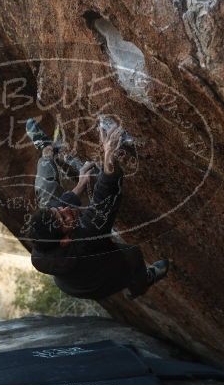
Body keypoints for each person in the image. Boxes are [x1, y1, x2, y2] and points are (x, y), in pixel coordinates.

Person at [24, 118, 169, 300]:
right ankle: (139, 285)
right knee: (131, 253)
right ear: (65, 240)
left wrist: (81, 182)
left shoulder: (46, 235)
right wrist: (109, 154)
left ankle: (46, 148)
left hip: (69, 270)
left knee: (45, 193)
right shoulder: (86, 237)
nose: (64, 209)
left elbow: (58, 205)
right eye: (63, 218)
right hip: (96, 283)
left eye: (58, 211)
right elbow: (105, 193)